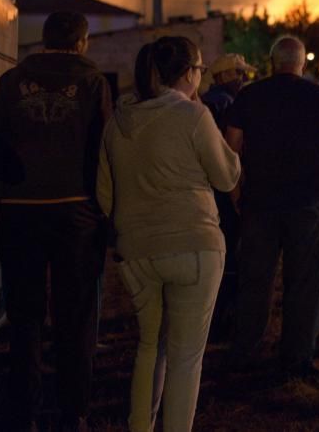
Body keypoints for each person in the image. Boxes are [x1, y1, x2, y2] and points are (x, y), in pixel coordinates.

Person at [97, 36, 240, 432]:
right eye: (200, 70)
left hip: (137, 252)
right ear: (187, 73)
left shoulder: (118, 123)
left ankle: (139, 426)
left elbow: (105, 195)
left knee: (149, 348)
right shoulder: (193, 116)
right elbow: (227, 177)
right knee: (185, 357)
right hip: (193, 246)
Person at [0, 12, 112, 432]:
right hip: (77, 211)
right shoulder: (94, 83)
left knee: (25, 314)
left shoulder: (10, 82)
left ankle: (23, 412)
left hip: (19, 209)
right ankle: (73, 412)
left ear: (43, 40)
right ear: (82, 41)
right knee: (75, 316)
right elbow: (104, 152)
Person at [226, 35, 319, 378]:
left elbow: (230, 148)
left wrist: (237, 195)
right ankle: (297, 358)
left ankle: (244, 351)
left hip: (259, 205)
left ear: (272, 61)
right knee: (305, 284)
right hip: (307, 204)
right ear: (301, 64)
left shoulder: (248, 95)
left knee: (254, 282)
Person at [200, 53, 256, 339]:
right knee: (231, 256)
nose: (244, 78)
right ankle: (224, 320)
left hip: (205, 191)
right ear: (222, 76)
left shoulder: (204, 103)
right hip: (225, 189)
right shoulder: (228, 105)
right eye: (238, 73)